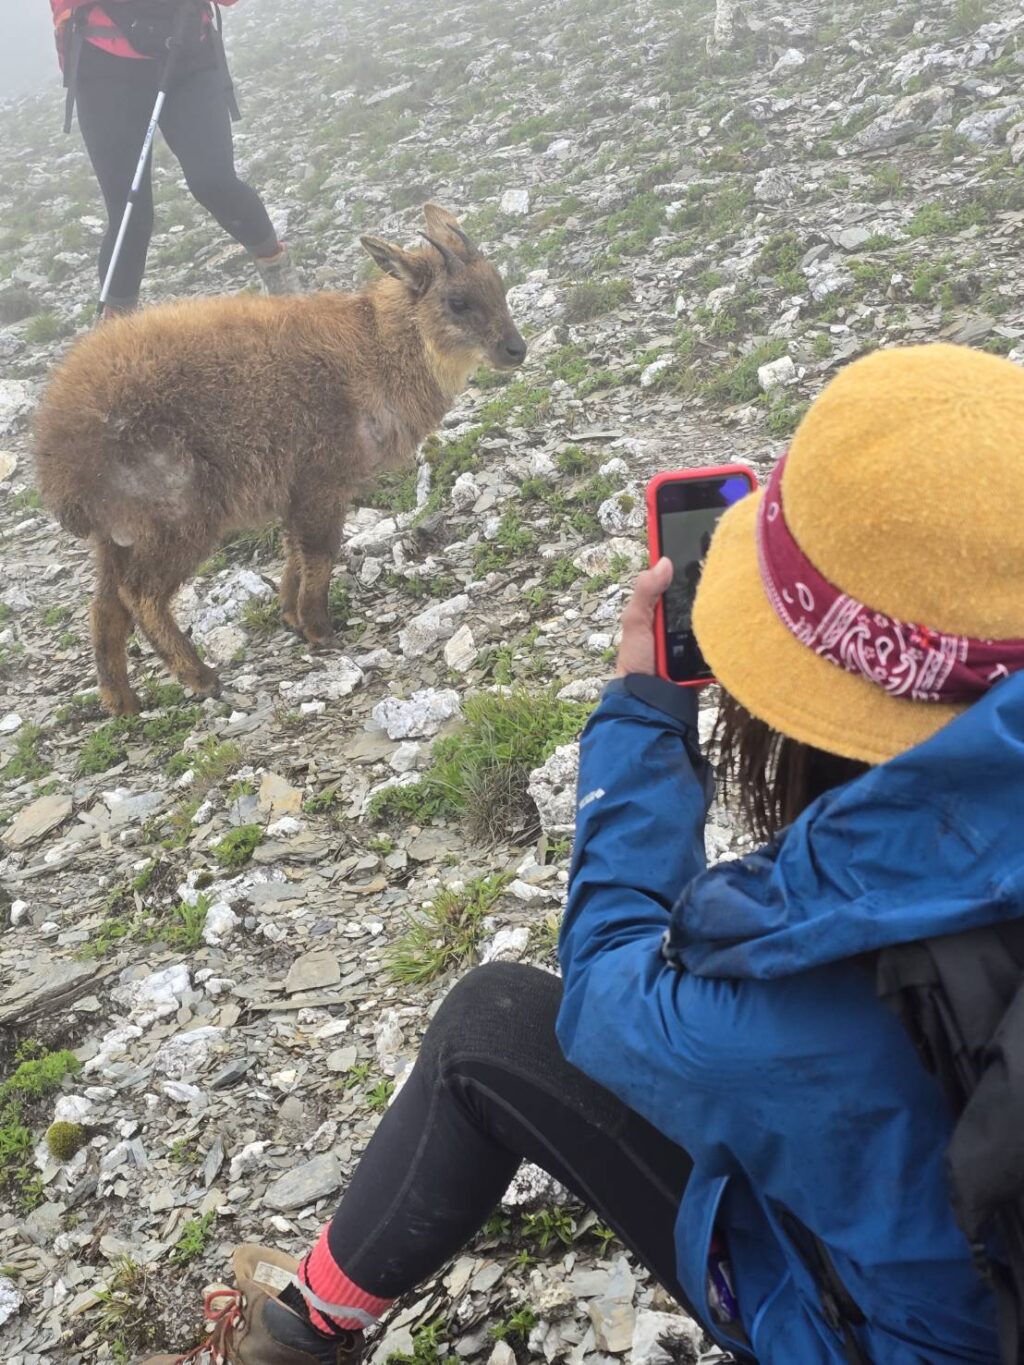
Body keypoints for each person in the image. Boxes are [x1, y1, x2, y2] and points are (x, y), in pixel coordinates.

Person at [138, 342, 1023, 1365]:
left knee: (492, 1029)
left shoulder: (812, 998)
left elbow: (609, 990)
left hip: (887, 1335)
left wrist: (643, 719)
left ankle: (296, 1336)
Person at [50, 0, 300, 316]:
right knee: (129, 212)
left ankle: (280, 277)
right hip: (104, 69)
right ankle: (114, 339)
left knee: (214, 181)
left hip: (186, 50)